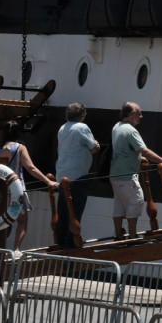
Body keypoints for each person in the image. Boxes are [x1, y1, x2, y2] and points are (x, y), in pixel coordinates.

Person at [0, 122, 57, 252]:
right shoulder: (20, 148)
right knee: (22, 220)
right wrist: (48, 181)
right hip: (16, 189)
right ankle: (16, 249)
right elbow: (30, 168)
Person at [109, 103, 162, 239]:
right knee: (136, 201)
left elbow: (125, 149)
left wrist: (138, 157)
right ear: (131, 115)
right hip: (127, 175)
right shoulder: (130, 130)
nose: (141, 117)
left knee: (119, 204)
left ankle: (118, 235)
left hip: (115, 174)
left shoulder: (117, 127)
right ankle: (132, 235)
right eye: (139, 113)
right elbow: (145, 150)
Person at [54, 103, 100, 248]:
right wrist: (97, 145)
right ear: (82, 116)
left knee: (63, 211)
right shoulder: (82, 127)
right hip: (77, 176)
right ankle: (70, 243)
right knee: (75, 212)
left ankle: (61, 241)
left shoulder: (63, 128)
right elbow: (93, 148)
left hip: (62, 175)